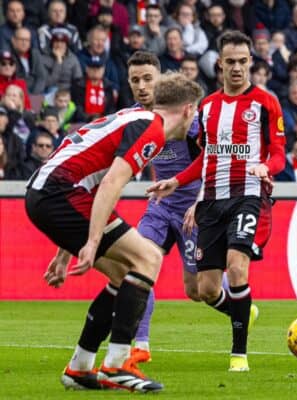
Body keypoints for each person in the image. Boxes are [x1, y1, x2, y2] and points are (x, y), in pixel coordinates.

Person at [25, 72, 202, 392]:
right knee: (148, 257)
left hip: (48, 193)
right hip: (59, 193)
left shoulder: (132, 117)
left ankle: (79, 368)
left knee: (124, 275)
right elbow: (110, 183)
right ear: (188, 110)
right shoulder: (152, 129)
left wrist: (64, 251)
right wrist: (91, 242)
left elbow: (91, 172)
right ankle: (116, 365)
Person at [146, 30, 286, 373]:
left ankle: (239, 354)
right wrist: (176, 181)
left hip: (246, 196)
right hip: (210, 202)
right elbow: (206, 157)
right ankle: (243, 311)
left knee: (237, 266)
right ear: (220, 64)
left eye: (243, 61)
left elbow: (279, 154)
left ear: (251, 62)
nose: (237, 68)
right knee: (206, 290)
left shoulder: (266, 103)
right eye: (231, 62)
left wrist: (265, 167)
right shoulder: (207, 107)